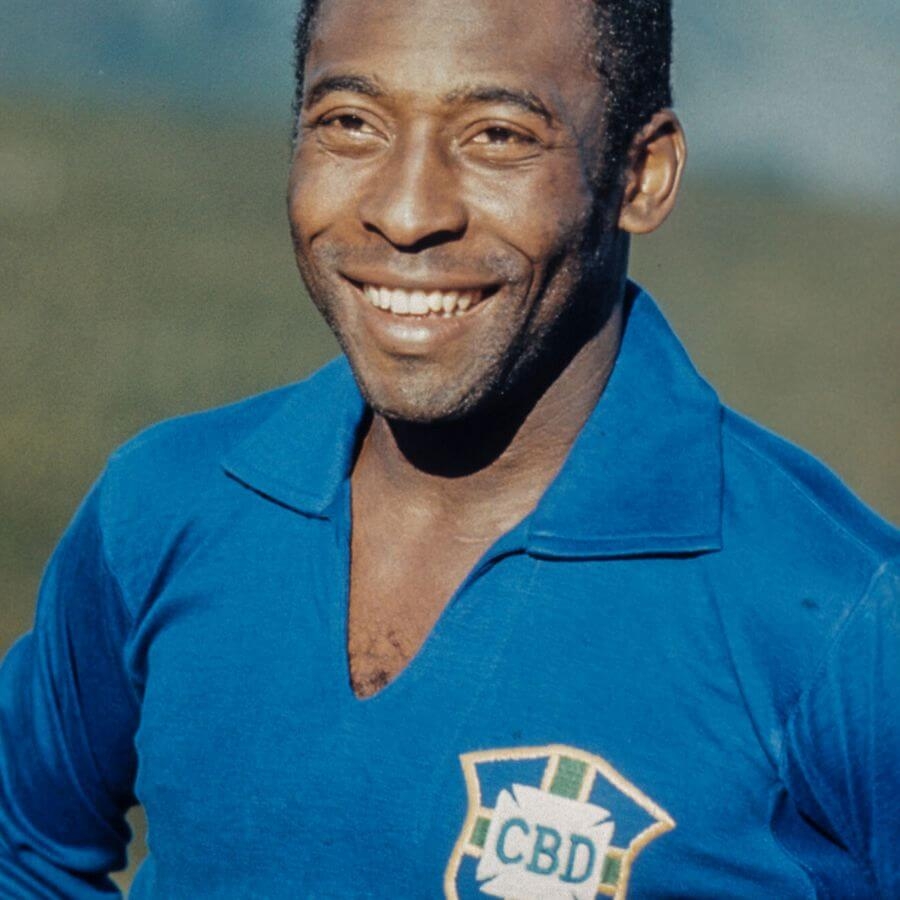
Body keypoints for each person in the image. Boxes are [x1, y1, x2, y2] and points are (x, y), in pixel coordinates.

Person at [1, 0, 897, 896]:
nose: (405, 212)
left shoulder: (841, 618)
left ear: (642, 174)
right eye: (351, 123)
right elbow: (24, 846)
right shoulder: (163, 507)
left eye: (498, 136)